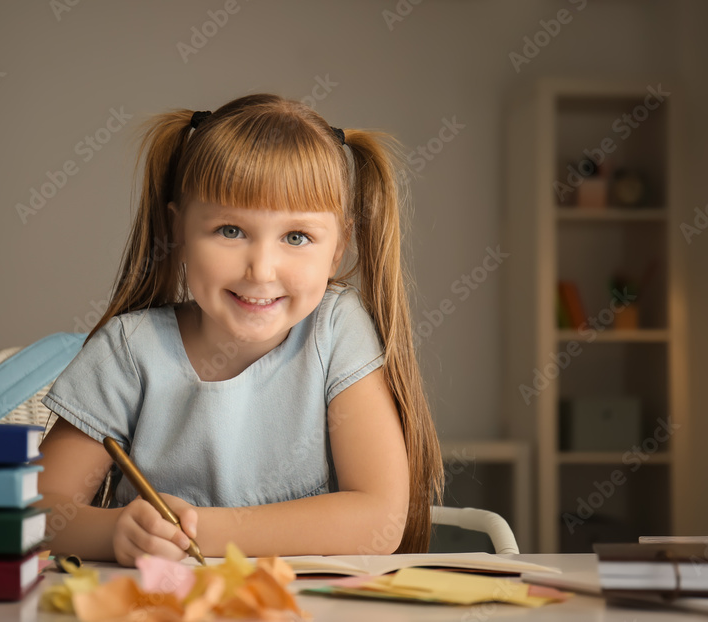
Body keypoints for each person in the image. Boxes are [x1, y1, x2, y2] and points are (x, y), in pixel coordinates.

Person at [35, 93, 443, 566]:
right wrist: (116, 533)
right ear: (179, 231)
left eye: (297, 237)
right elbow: (38, 512)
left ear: (338, 248)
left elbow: (380, 520)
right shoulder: (130, 350)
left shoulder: (335, 329)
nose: (262, 270)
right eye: (230, 230)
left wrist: (200, 532)